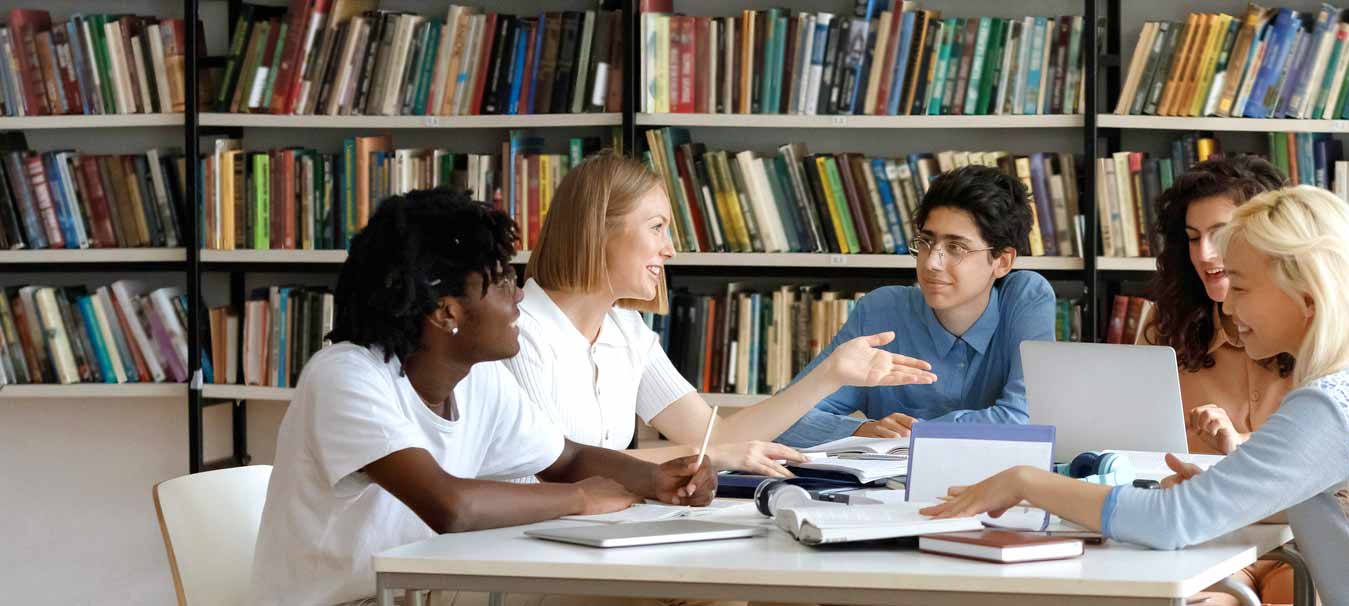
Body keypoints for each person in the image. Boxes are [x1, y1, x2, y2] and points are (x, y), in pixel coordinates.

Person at [925, 185, 1349, 606]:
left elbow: (1173, 523)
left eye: (1241, 285)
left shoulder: (1331, 406)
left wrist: (1027, 482)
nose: (1228, 303)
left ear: (1308, 292)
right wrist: (1225, 490)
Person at [249, 189, 716, 606]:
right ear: (447, 310)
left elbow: (565, 457)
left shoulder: (476, 380)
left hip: (421, 588)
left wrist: (655, 480)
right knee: (651, 595)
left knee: (690, 589)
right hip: (358, 600)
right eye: (501, 282)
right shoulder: (345, 377)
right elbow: (451, 506)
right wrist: (578, 500)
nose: (518, 297)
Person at [502, 153, 938, 477]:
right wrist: (705, 458)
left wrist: (830, 375)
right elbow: (554, 468)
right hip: (520, 555)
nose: (670, 248)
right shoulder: (518, 332)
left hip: (594, 536)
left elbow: (713, 435)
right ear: (598, 230)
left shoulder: (626, 330)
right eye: (656, 227)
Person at [773, 165, 1056, 448]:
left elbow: (1026, 421)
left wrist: (917, 433)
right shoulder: (881, 311)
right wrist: (864, 430)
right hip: (891, 488)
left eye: (956, 247)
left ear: (1003, 261)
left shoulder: (1026, 298)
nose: (931, 262)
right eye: (926, 242)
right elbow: (784, 418)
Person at [1141, 156, 1299, 606]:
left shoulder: (1311, 324)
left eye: (1222, 234)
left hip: (1300, 539)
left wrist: (1240, 443)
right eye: (1193, 239)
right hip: (1204, 541)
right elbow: (1141, 449)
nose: (1206, 255)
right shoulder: (1166, 326)